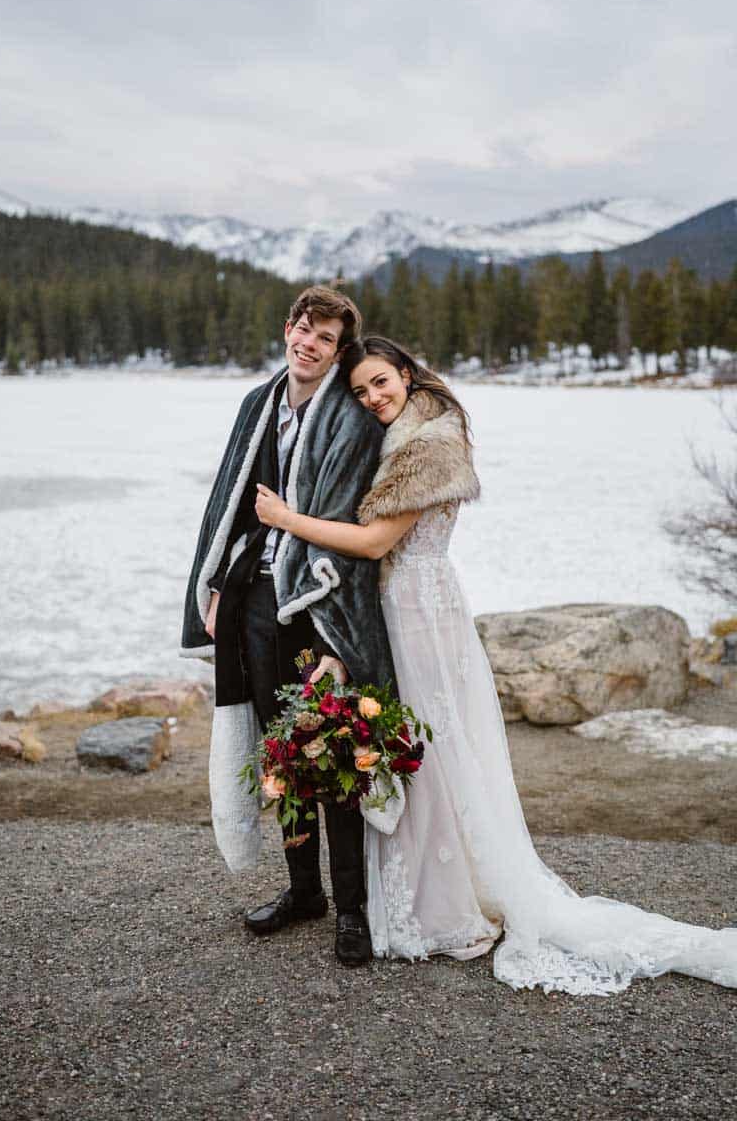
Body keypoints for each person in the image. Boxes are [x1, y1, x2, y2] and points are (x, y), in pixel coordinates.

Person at [254, 334, 737, 995]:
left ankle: (442, 902)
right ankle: (419, 889)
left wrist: (286, 518)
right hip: (402, 608)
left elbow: (373, 542)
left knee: (428, 748)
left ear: (406, 374)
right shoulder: (399, 438)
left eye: (380, 383)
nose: (372, 398)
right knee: (423, 747)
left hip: (419, 613)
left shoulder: (430, 445)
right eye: (361, 391)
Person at [180, 287, 397, 967]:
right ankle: (305, 892)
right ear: (287, 330)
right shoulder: (259, 403)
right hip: (255, 597)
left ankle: (352, 909)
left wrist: (334, 638)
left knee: (332, 753)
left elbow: (353, 530)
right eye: (304, 330)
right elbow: (229, 504)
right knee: (282, 753)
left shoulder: (350, 420)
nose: (310, 344)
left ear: (339, 350)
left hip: (317, 604)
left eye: (325, 338)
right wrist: (218, 582)